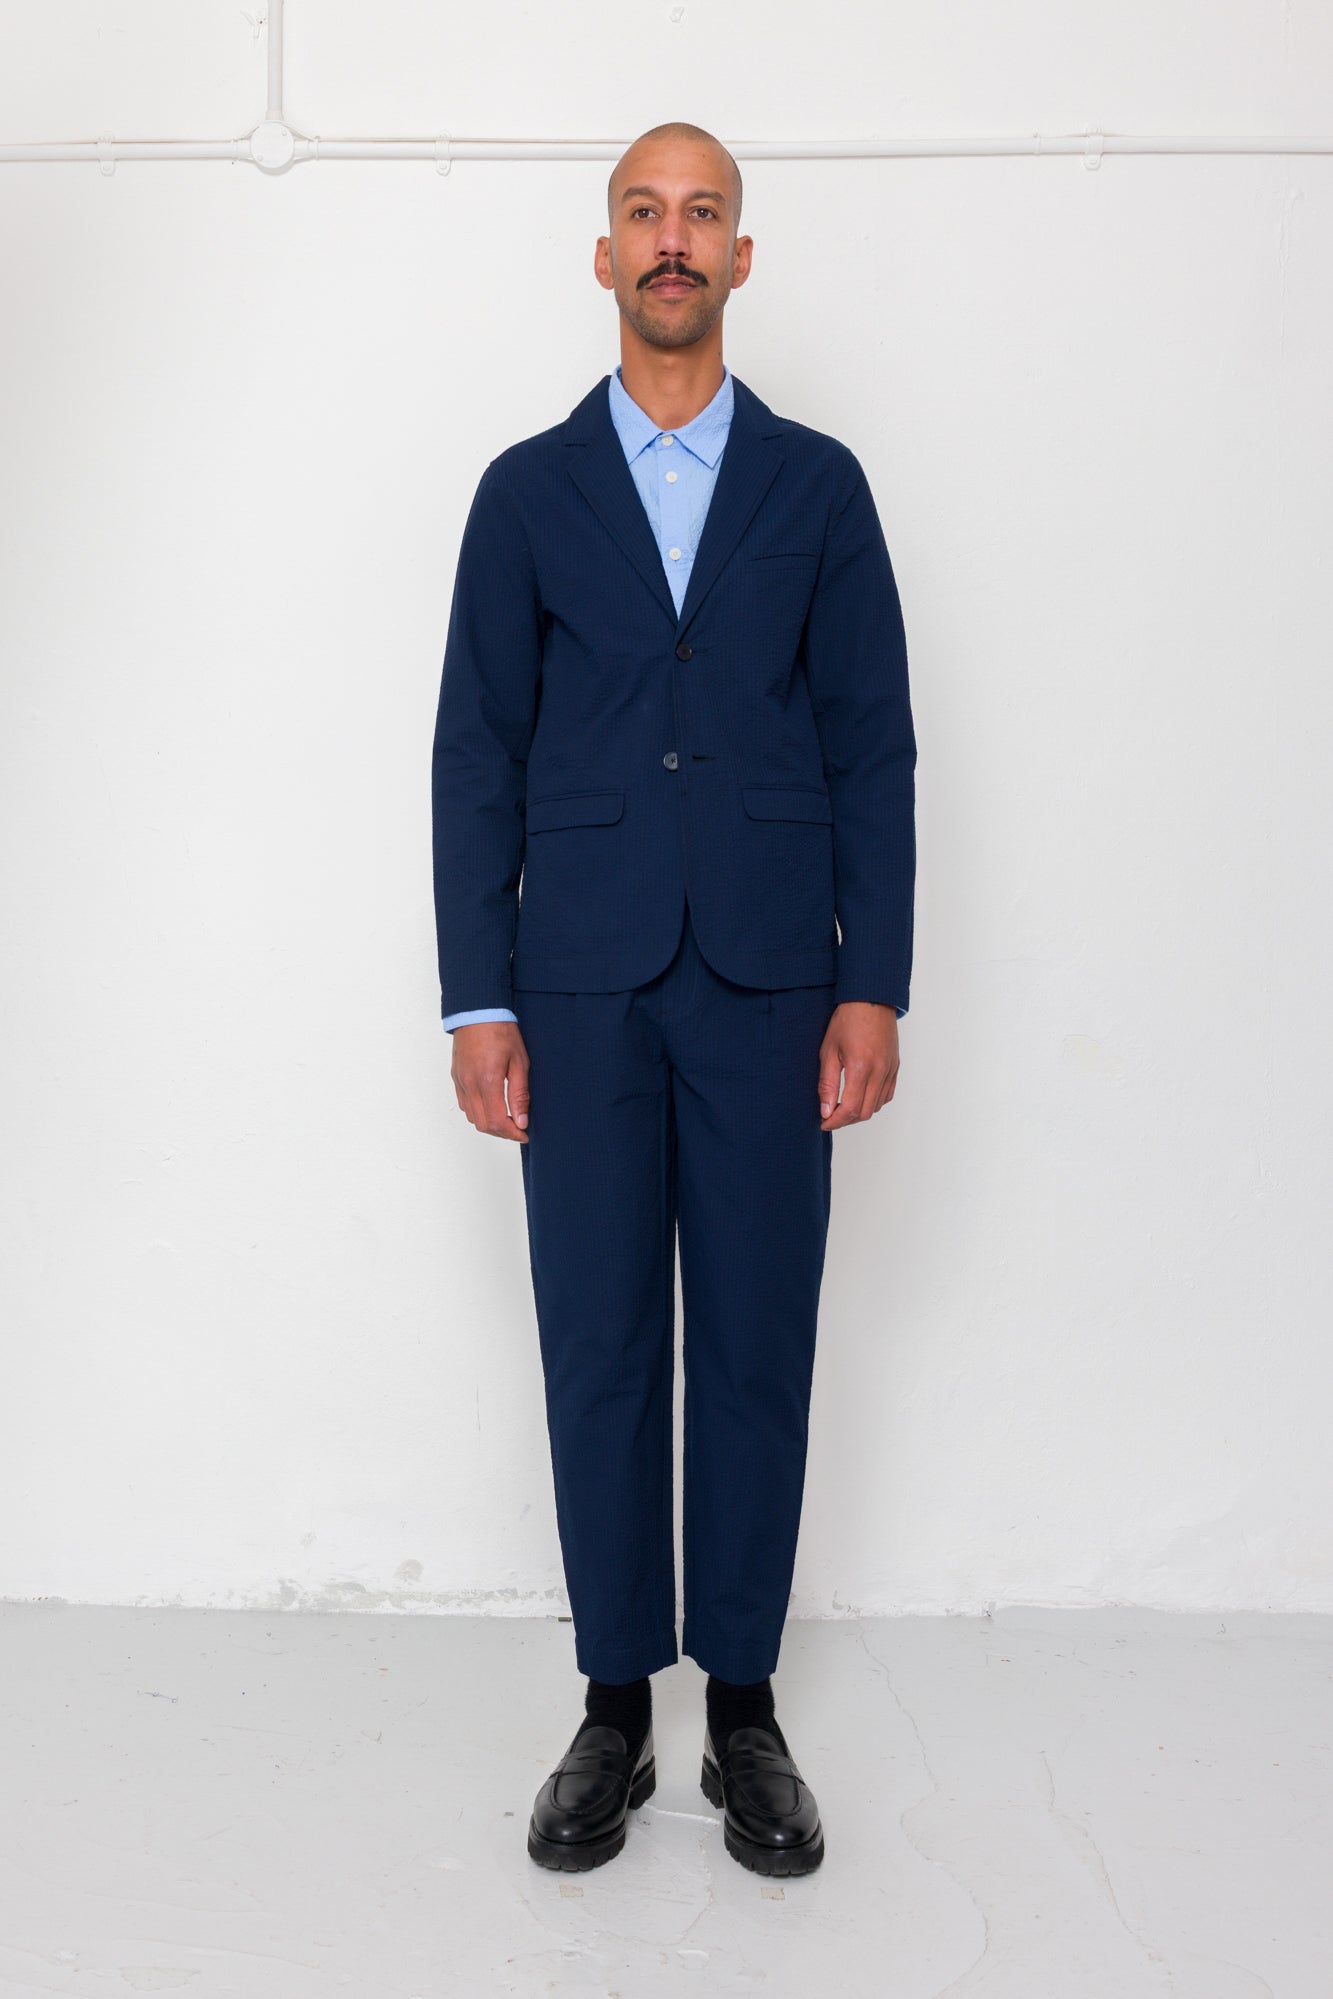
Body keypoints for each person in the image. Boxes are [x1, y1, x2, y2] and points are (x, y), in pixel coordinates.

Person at [431, 119, 916, 1877]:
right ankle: (614, 1709)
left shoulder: (820, 487)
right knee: (602, 1343)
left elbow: (872, 741)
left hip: (775, 980)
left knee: (761, 1341)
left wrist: (878, 988)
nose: (671, 238)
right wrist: (475, 1000)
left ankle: (747, 1713)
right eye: (642, 211)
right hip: (580, 988)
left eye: (701, 213)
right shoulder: (524, 492)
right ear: (601, 253)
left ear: (740, 256)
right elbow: (474, 751)